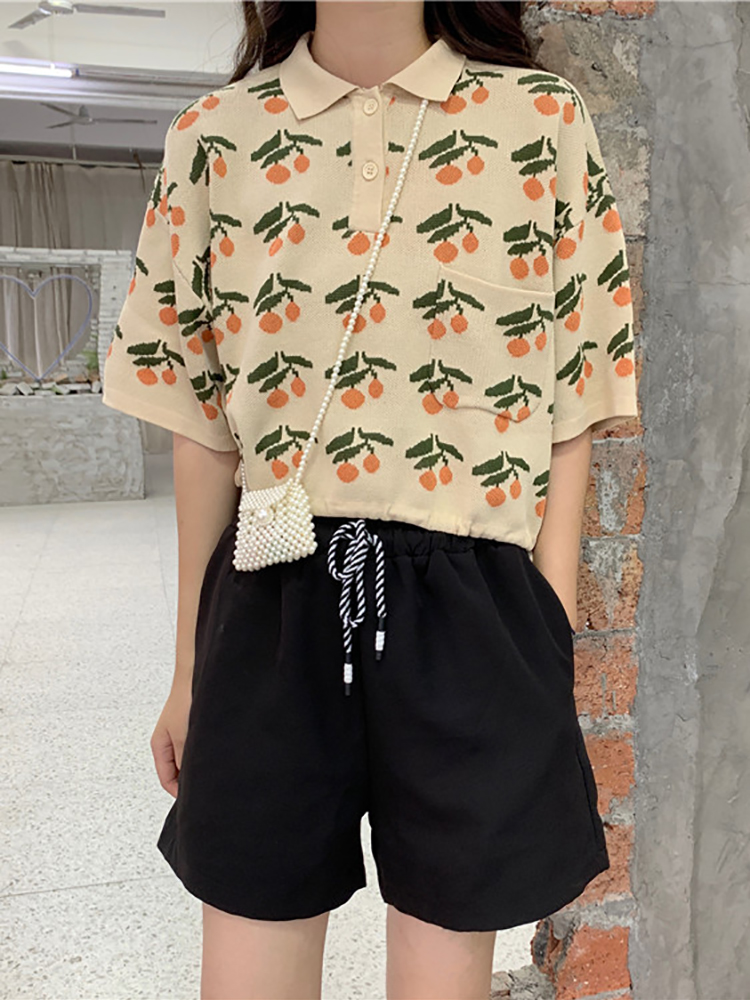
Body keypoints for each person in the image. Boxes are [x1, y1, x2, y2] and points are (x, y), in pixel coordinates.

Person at [102, 1, 639, 997]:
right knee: (249, 959)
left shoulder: (540, 119)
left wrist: (549, 626)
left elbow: (575, 395)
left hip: (472, 602)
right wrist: (188, 668)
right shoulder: (215, 136)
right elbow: (200, 423)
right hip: (272, 589)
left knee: (443, 970)